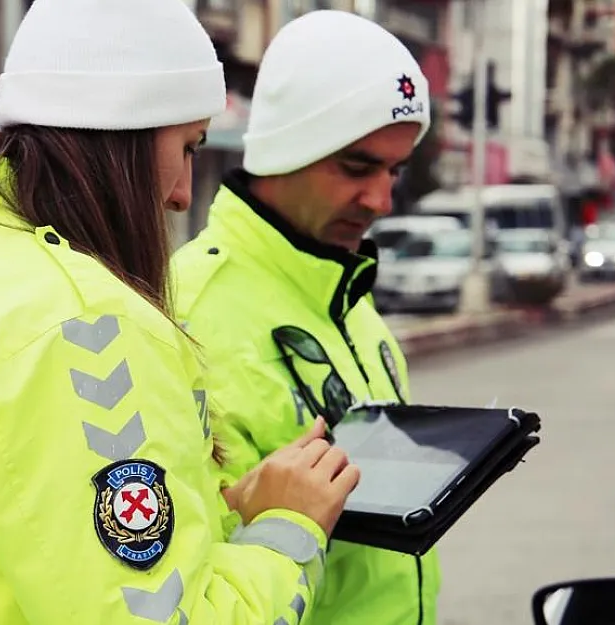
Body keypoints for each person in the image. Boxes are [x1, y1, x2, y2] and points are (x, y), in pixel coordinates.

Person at [0, 1, 361, 624]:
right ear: (128, 137)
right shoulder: (82, 325)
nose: (182, 193)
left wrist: (227, 508)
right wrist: (291, 528)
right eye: (187, 145)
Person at [171, 10, 439, 625]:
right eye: (356, 167)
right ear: (287, 148)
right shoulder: (183, 311)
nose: (380, 201)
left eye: (395, 171)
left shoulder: (351, 303)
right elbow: (167, 569)